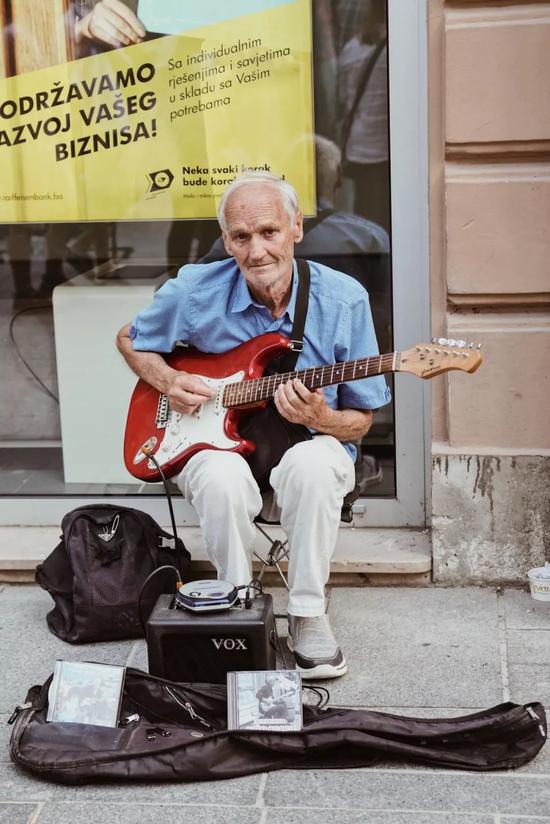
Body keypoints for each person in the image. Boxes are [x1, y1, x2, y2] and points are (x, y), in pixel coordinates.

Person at [116, 171, 391, 679]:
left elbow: (361, 422)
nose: (257, 250)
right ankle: (234, 609)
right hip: (220, 449)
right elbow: (131, 339)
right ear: (226, 241)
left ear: (296, 229)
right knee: (218, 478)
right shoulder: (195, 290)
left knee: (316, 464)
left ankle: (308, 614)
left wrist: (322, 417)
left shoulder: (342, 299)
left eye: (269, 232)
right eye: (241, 237)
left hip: (305, 449)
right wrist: (170, 378)